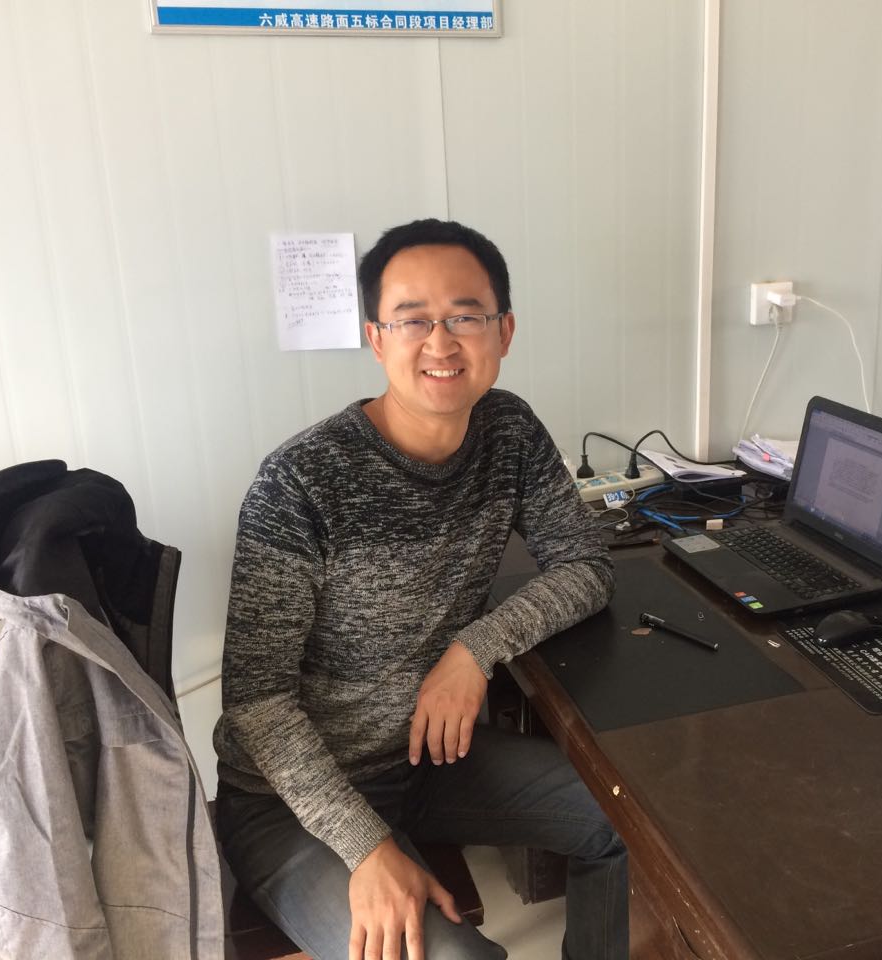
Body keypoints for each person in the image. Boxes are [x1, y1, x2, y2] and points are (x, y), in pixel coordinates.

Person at [212, 218, 628, 960]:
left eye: (466, 317)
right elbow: (257, 703)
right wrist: (367, 848)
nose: (441, 343)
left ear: (504, 331)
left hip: (424, 760)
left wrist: (474, 650)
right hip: (291, 805)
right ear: (376, 338)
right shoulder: (300, 481)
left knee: (629, 823)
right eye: (412, 320)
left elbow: (585, 565)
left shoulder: (508, 431)